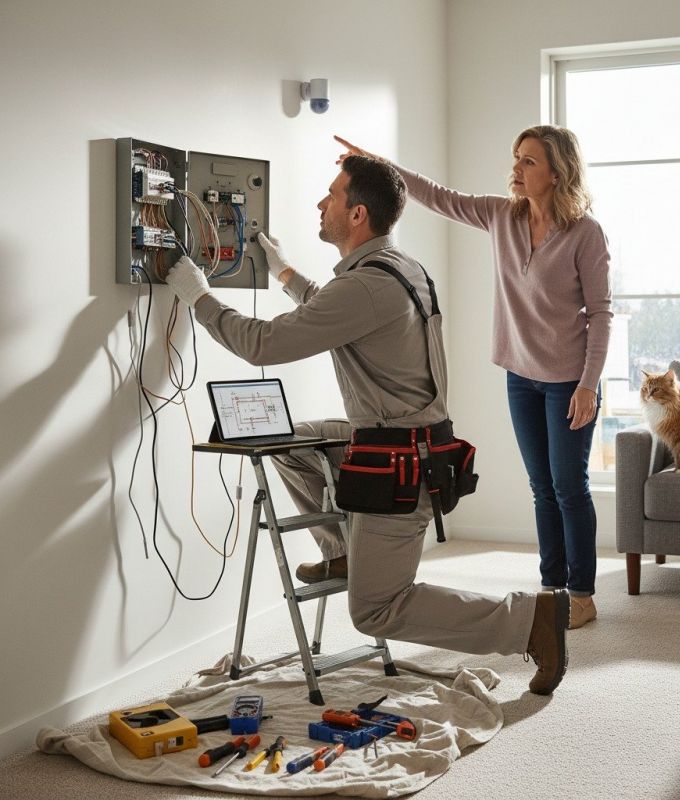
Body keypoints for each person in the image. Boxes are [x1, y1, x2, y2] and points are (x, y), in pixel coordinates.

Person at [165, 154, 571, 694]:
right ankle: (340, 553)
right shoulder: (397, 269)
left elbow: (263, 343)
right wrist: (284, 272)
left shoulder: (365, 287)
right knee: (288, 441)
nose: (320, 203)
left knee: (376, 609)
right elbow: (332, 309)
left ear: (357, 215)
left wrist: (200, 299)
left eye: (331, 195)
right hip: (401, 437)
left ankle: (529, 621)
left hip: (399, 466)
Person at [335, 126, 612, 630]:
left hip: (571, 380)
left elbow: (601, 313)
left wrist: (589, 384)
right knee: (541, 486)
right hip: (520, 375)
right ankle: (553, 590)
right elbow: (440, 197)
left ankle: (583, 593)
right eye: (517, 158)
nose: (517, 168)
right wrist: (377, 163)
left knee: (570, 485)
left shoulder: (585, 233)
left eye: (529, 161)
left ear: (557, 172)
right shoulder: (501, 215)